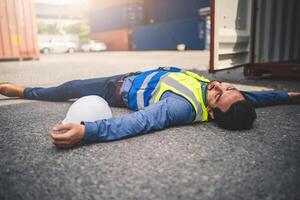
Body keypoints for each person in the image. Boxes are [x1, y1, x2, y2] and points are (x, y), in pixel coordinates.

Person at [0, 67, 299, 148]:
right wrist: (290, 95)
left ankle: (24, 90)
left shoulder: (182, 107)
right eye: (229, 87)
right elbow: (261, 97)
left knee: (66, 89)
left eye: (220, 95)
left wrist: (85, 131)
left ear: (210, 112)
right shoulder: (232, 96)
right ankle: (24, 90)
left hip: (115, 88)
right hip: (131, 74)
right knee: (68, 87)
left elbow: (141, 122)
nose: (220, 86)